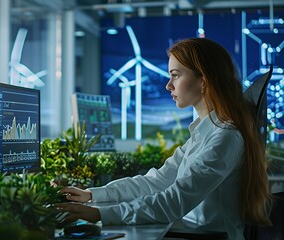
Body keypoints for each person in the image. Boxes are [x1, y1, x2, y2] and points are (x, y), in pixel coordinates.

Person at [56, 38, 271, 239]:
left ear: (203, 81)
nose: (168, 85)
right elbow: (156, 181)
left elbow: (175, 200)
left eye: (176, 75)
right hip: (193, 232)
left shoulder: (226, 136)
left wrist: (98, 215)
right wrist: (91, 195)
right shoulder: (204, 133)